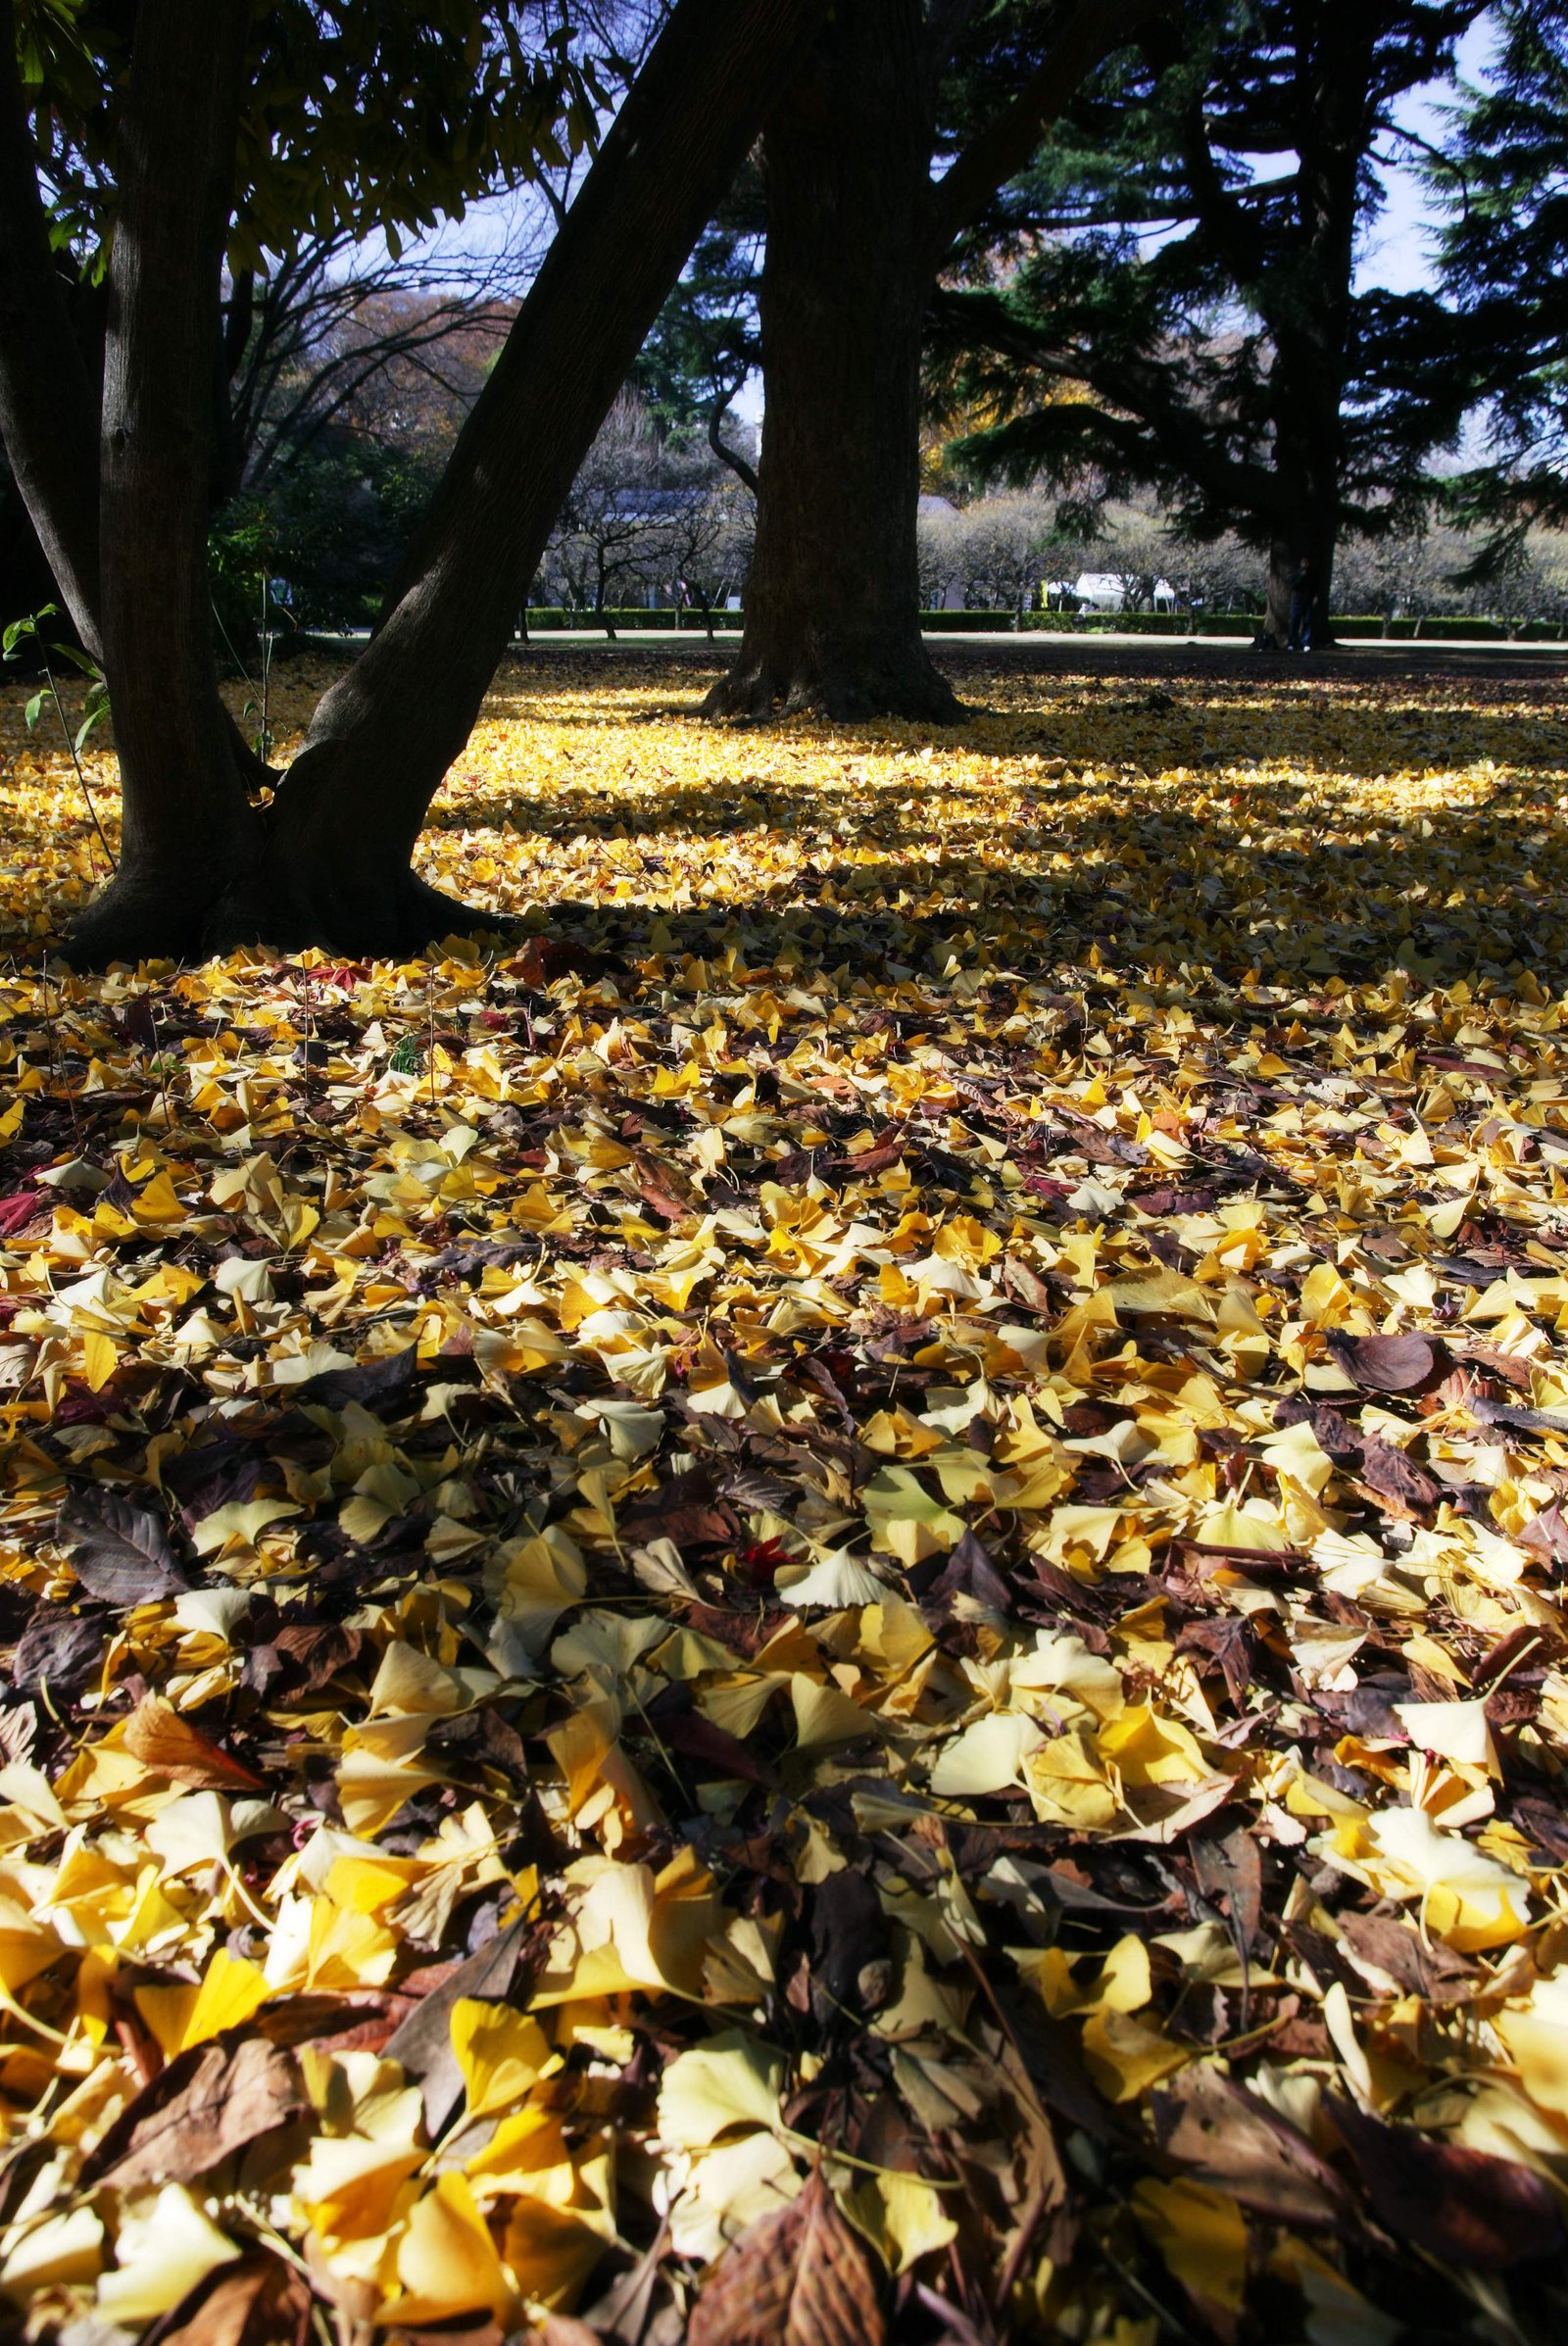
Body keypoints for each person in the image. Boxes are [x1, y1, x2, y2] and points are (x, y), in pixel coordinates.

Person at [1288, 561, 1314, 652]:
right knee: (1294, 621)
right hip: (1297, 600)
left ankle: (1306, 642)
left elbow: (1315, 586)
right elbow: (1292, 585)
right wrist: (1301, 577)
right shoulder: (1296, 574)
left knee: (1307, 622)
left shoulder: (1311, 575)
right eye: (1303, 562)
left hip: (1308, 600)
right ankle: (1292, 643)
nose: (1305, 564)